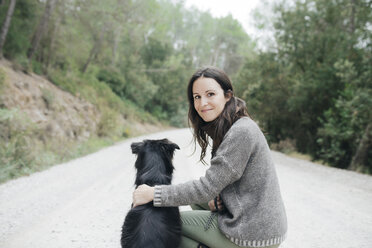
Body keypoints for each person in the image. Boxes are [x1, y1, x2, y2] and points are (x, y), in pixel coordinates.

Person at [132, 66, 287, 248]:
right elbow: (218, 184)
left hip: (254, 233)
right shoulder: (230, 127)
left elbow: (206, 188)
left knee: (164, 225)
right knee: (199, 202)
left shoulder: (241, 132)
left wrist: (154, 193)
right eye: (197, 97)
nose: (202, 103)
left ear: (227, 95)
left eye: (210, 94)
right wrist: (219, 199)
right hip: (253, 220)